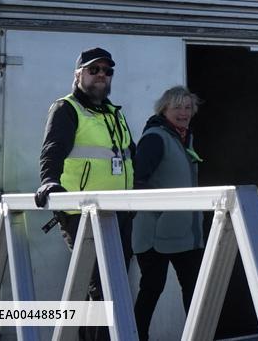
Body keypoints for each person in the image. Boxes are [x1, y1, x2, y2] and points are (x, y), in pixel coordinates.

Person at [36, 47, 135, 340]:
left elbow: (131, 156)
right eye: (94, 70)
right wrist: (48, 181)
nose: (101, 75)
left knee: (113, 287)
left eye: (107, 71)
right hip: (81, 214)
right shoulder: (67, 108)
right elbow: (52, 150)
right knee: (102, 287)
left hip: (119, 213)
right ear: (78, 74)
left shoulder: (114, 114)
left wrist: (142, 196)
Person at [131, 86, 205, 340]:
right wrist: (159, 213)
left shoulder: (185, 137)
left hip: (185, 234)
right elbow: (137, 181)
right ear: (164, 109)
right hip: (155, 235)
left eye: (188, 107)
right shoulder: (155, 137)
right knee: (151, 289)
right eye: (177, 107)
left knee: (196, 291)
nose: (184, 113)